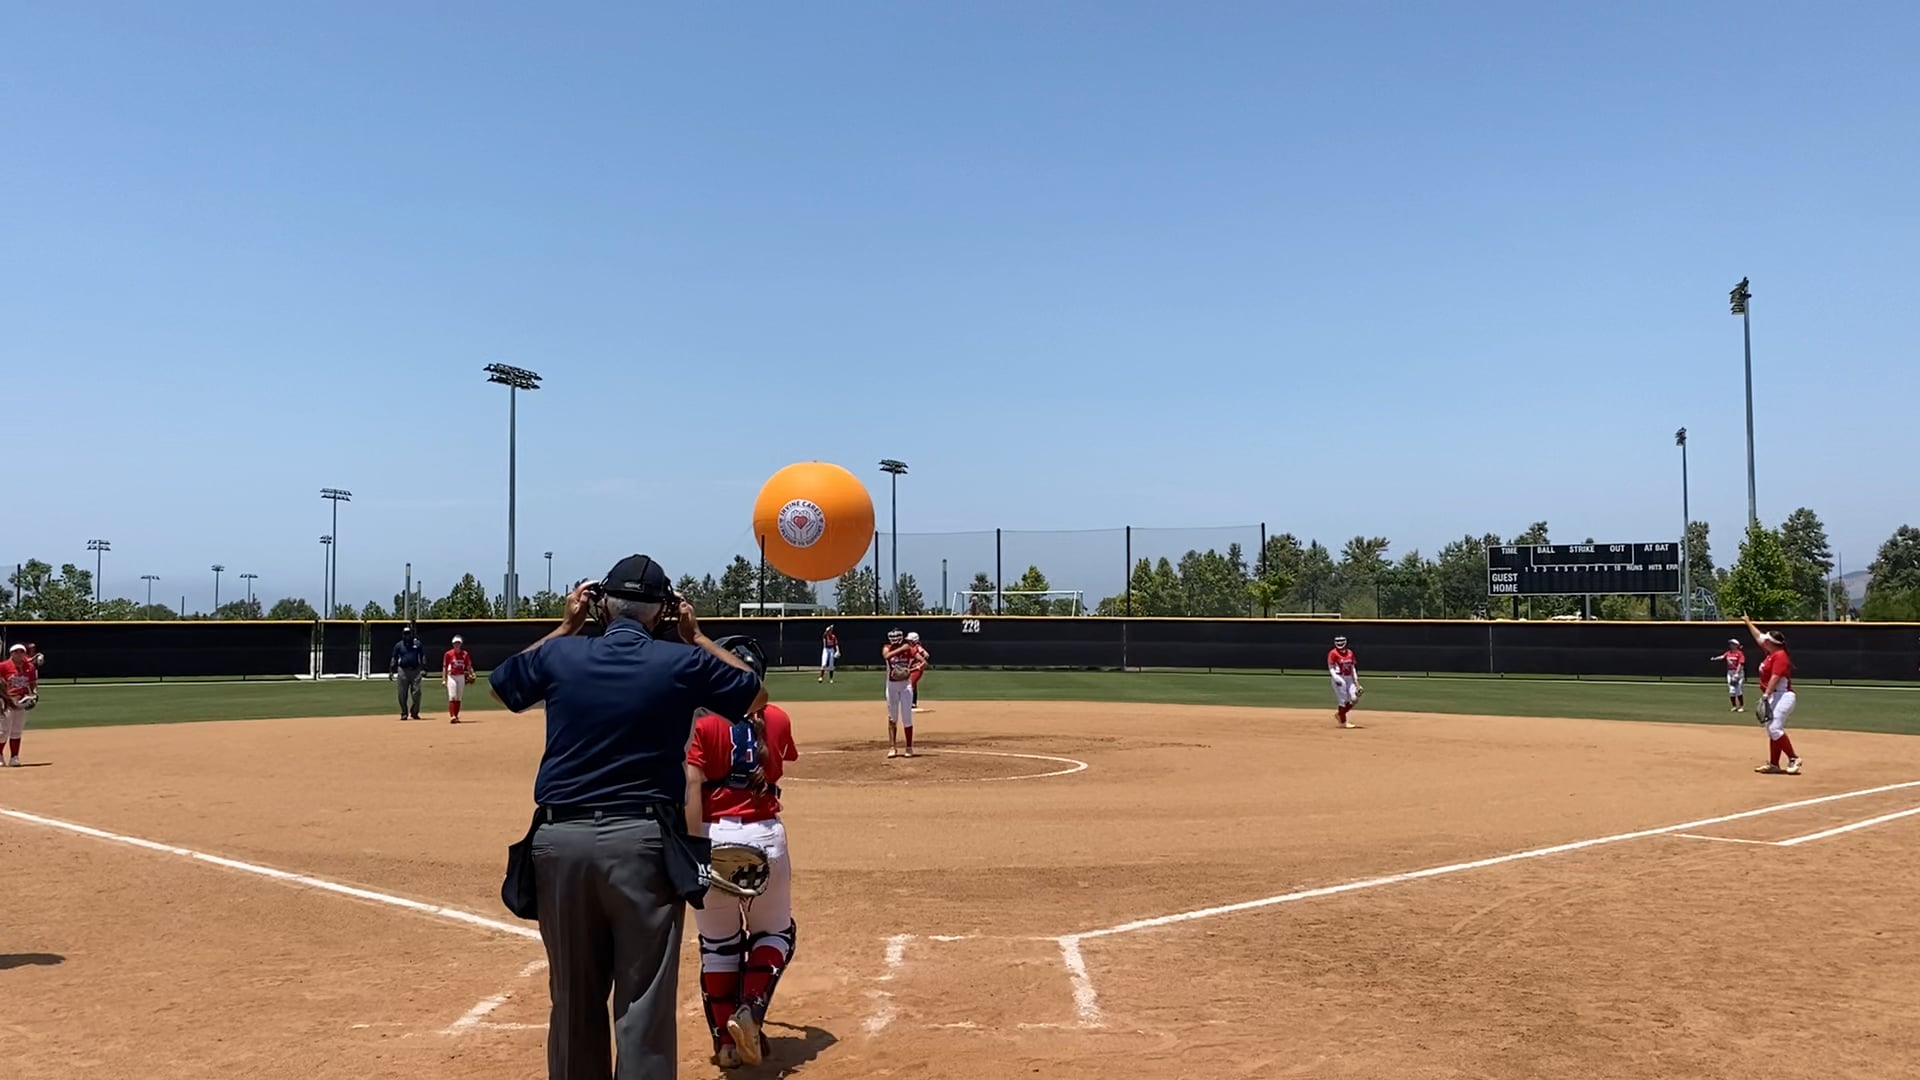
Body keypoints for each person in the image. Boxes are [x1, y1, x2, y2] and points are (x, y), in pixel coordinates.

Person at [489, 555, 765, 1080]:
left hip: (561, 841)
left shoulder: (562, 653)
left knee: (573, 1002)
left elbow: (503, 683)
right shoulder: (681, 660)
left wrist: (565, 626)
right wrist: (697, 636)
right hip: (642, 844)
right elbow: (754, 693)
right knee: (644, 1006)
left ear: (599, 606)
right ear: (663, 612)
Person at [685, 639, 799, 1070]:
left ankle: (726, 1045)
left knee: (719, 946)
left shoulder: (701, 723)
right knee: (775, 934)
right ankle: (750, 1007)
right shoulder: (778, 718)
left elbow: (690, 787)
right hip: (764, 837)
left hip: (713, 837)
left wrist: (693, 850)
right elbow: (781, 758)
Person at [1744, 616, 1801, 775]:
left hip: (1783, 696)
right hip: (1774, 696)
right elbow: (1758, 636)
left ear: (1772, 643)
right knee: (1772, 730)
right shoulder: (1771, 653)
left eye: (1767, 640)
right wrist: (1747, 621)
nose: (1764, 641)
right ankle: (1774, 764)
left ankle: (1794, 758)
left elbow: (1775, 677)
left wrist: (1766, 695)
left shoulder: (1780, 656)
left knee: (1774, 728)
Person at [881, 628, 921, 758]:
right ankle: (892, 747)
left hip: (905, 686)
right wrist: (902, 649)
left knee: (906, 717)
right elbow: (886, 656)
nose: (893, 640)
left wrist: (912, 669)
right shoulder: (887, 648)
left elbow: (923, 662)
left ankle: (909, 747)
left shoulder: (909, 649)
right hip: (892, 686)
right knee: (892, 717)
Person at [0, 644, 33, 766]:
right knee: (3, 731)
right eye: (16, 652)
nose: (19, 654)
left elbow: (32, 683)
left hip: (22, 700)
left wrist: (34, 695)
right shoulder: (3, 666)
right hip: (6, 700)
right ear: (11, 653)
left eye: (21, 652)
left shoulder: (29, 667)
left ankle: (14, 757)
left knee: (17, 730)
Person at [391, 626, 428, 720]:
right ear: (403, 635)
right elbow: (394, 657)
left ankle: (414, 712)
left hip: (415, 670)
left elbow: (422, 655)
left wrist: (424, 668)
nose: (407, 636)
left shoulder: (417, 644)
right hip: (403, 670)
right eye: (405, 634)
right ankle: (404, 712)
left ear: (412, 634)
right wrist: (391, 670)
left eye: (409, 634)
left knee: (417, 692)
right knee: (402, 693)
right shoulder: (399, 645)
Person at [1328, 635, 1363, 729]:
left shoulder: (1350, 653)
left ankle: (1340, 714)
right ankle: (1343, 722)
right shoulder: (1333, 653)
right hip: (1339, 677)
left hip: (1349, 678)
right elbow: (1331, 668)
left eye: (1341, 641)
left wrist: (1357, 682)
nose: (1340, 643)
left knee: (1354, 698)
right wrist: (1336, 678)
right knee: (1343, 701)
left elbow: (1352, 667)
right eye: (1338, 641)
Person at [444, 634, 475, 724]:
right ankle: (452, 716)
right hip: (452, 676)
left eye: (458, 643)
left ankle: (456, 716)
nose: (457, 645)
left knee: (458, 697)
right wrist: (444, 678)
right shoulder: (448, 654)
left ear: (461, 644)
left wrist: (472, 673)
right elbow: (445, 666)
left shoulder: (465, 654)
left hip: (461, 676)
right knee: (452, 696)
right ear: (453, 644)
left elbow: (468, 665)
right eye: (455, 643)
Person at [1710, 638, 1747, 712]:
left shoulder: (1740, 653)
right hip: (1730, 672)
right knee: (1732, 690)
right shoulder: (1728, 653)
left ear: (1736, 645)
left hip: (1738, 673)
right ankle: (1734, 706)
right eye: (1730, 644)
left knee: (1738, 689)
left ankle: (1741, 706)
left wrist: (1737, 673)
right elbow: (1722, 657)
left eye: (1733, 644)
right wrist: (1715, 658)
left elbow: (1740, 664)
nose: (1731, 645)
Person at [906, 631, 930, 711]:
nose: (908, 641)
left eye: (910, 640)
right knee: (913, 685)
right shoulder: (911, 647)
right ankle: (913, 703)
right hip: (912, 668)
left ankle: (910, 703)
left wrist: (919, 663)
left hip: (917, 669)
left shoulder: (917, 647)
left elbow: (926, 655)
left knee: (911, 684)